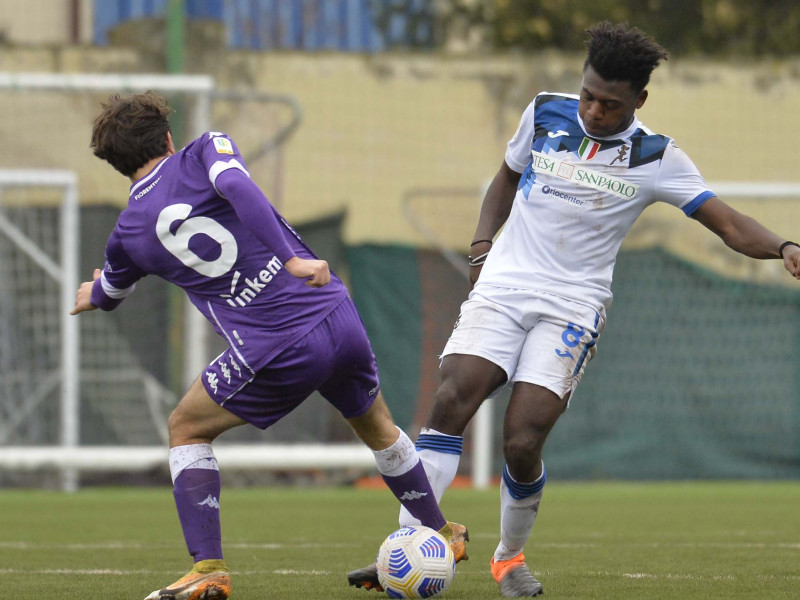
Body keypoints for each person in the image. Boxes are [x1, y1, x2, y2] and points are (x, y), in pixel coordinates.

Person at [347, 21, 800, 598]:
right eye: (587, 94)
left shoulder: (657, 157)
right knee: (452, 397)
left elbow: (729, 223)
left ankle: (508, 560)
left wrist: (784, 246)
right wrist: (483, 245)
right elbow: (506, 176)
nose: (593, 110)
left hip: (572, 306)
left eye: (609, 104)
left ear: (639, 101)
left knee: (522, 439)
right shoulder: (543, 113)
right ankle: (413, 545)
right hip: (505, 287)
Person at [71, 91, 468, 600]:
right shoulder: (205, 149)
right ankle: (440, 531)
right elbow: (235, 183)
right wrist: (292, 260)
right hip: (334, 312)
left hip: (277, 346)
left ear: (115, 164)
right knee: (379, 428)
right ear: (168, 138)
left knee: (186, 428)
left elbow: (111, 291)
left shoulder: (127, 235)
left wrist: (92, 294)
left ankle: (208, 569)